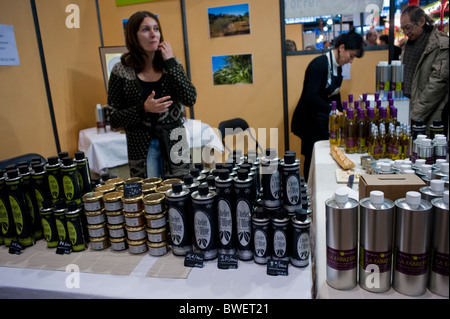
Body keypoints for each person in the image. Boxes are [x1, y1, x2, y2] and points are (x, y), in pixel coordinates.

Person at [107, 11, 197, 179]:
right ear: (134, 36)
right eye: (145, 29)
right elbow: (113, 119)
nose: (153, 34)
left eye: (156, 29)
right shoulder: (120, 70)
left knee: (181, 196)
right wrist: (144, 109)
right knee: (150, 198)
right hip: (141, 147)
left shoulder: (171, 64)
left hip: (175, 143)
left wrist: (170, 62)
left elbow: (190, 98)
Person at [291, 29, 364, 181]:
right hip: (309, 120)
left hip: (321, 119)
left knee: (326, 156)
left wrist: (344, 114)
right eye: (351, 56)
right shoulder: (319, 65)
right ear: (342, 48)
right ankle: (309, 189)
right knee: (312, 157)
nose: (350, 61)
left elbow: (335, 95)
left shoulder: (338, 67)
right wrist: (333, 111)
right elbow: (310, 96)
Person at [400, 5, 449, 132]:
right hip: (409, 109)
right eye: (403, 29)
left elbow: (437, 85)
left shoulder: (440, 45)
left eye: (408, 27)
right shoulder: (409, 45)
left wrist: (416, 114)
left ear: (421, 21)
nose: (405, 32)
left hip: (431, 114)